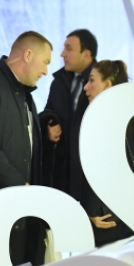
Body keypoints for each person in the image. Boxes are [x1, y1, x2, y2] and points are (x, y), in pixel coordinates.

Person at [0, 31, 52, 266]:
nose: (46, 71)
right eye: (45, 62)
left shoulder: (24, 92)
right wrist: (18, 184)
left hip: (21, 208)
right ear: (28, 55)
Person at [79, 60, 134, 247]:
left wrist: (90, 212)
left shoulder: (105, 121)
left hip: (109, 222)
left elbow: (100, 170)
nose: (86, 87)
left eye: (91, 80)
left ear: (107, 85)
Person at [40, 29, 97, 196]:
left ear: (86, 54)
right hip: (61, 175)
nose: (62, 54)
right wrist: (48, 129)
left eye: (69, 49)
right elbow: (48, 112)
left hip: (89, 176)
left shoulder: (102, 82)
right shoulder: (59, 82)